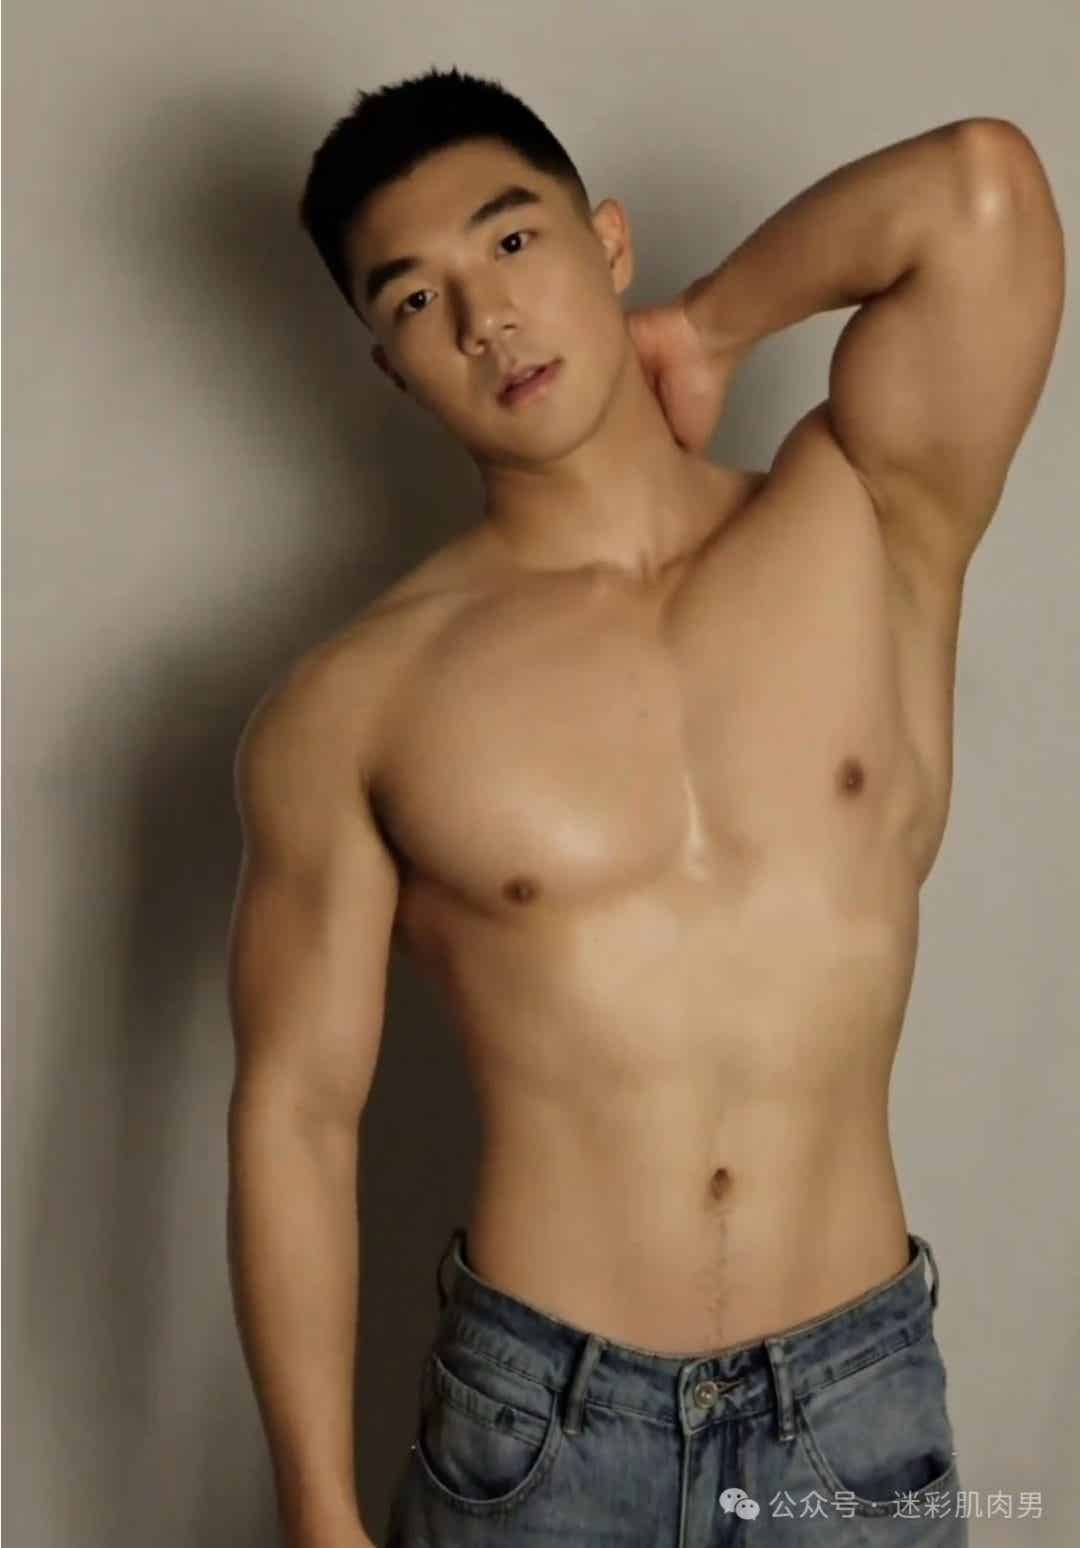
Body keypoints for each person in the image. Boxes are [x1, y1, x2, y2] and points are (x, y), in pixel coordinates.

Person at [224, 66, 1064, 1548]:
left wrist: (713, 322)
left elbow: (981, 189)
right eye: (415, 300)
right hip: (537, 1436)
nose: (485, 318)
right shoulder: (355, 704)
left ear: (608, 242)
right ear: (388, 367)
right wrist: (318, 1514)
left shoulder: (862, 518)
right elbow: (296, 1114)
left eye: (512, 240)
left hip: (851, 1411)